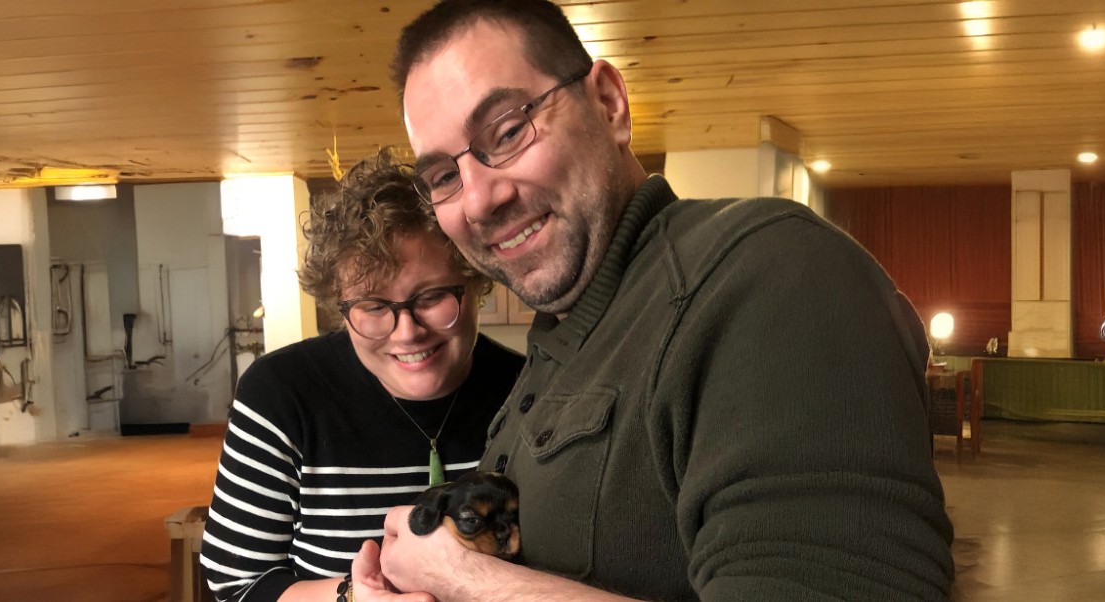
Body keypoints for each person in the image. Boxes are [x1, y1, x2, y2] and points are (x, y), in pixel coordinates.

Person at [351, 1, 957, 600]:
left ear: (610, 104)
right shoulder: (562, 338)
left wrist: (465, 582)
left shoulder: (773, 270)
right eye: (442, 177)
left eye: (508, 132)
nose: (478, 199)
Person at [199, 148, 524, 602]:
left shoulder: (527, 387)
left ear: (477, 282)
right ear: (340, 306)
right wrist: (354, 595)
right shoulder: (279, 392)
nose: (407, 332)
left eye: (431, 297)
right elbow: (237, 583)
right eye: (373, 307)